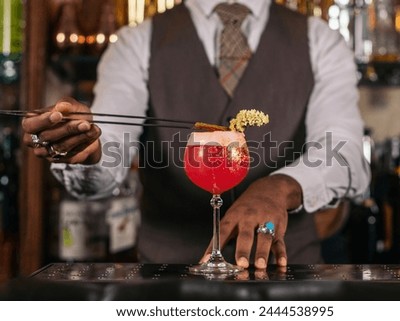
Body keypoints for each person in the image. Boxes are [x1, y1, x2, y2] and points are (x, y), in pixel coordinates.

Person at [22, 0, 370, 269]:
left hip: (289, 277)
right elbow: (110, 147)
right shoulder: (136, 43)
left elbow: (344, 152)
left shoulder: (321, 41)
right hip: (168, 282)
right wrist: (89, 148)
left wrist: (280, 187)